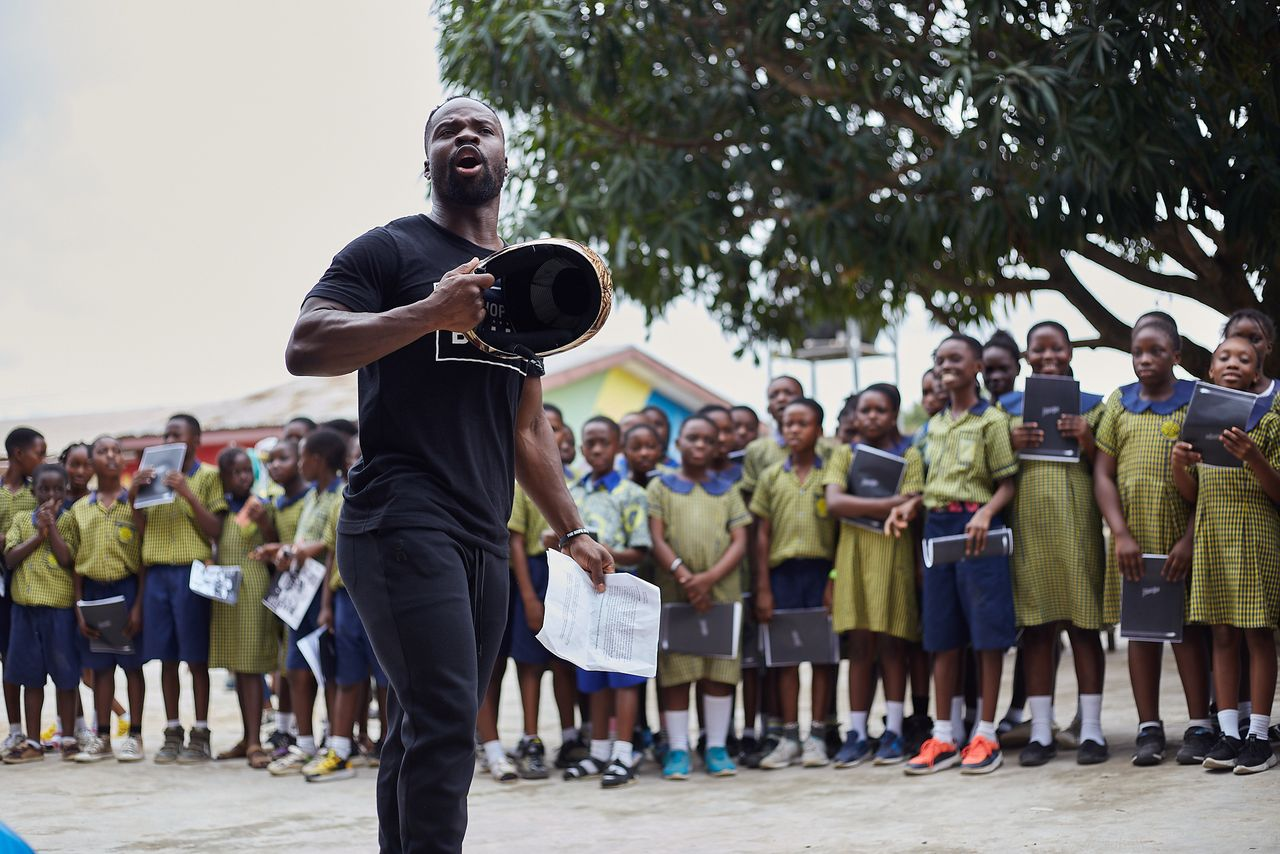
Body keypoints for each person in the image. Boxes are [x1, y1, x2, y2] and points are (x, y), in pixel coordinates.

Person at [284, 95, 611, 853]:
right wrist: (428, 313)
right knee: (444, 718)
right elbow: (306, 346)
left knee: (423, 721)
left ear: (505, 158)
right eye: (447, 130)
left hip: (484, 532)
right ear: (427, 159)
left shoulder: (528, 278)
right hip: (400, 516)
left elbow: (527, 427)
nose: (465, 136)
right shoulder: (388, 251)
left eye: (482, 128)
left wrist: (573, 531)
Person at [887, 333, 1019, 775]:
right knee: (941, 634)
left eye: (955, 358)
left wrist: (986, 513)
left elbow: (1007, 484)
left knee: (987, 633)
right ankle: (944, 736)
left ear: (977, 365)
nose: (946, 366)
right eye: (940, 360)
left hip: (979, 529)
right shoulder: (929, 429)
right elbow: (918, 488)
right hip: (939, 528)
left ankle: (986, 734)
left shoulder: (992, 421)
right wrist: (907, 507)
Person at [1093, 312, 1211, 767]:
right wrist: (1120, 533)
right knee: (1141, 632)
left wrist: (1189, 538)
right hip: (1133, 543)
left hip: (1183, 538)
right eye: (1138, 351)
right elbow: (1102, 474)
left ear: (1176, 356)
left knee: (1187, 631)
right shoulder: (1119, 403)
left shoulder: (1193, 402)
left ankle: (1199, 724)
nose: (1145, 359)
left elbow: (1211, 476)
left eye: (1156, 351)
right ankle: (1149, 727)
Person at [1172, 336, 1280, 774]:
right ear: (1211, 371)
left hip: (1254, 536)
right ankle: (1229, 733)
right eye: (1224, 357)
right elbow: (1192, 493)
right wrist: (1178, 464)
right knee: (1221, 634)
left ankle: (1259, 736)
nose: (1233, 363)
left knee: (1258, 634)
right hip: (1213, 537)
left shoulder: (1270, 423)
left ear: (1256, 373)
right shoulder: (1197, 423)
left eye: (1244, 359)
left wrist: (1253, 456)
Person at [1005, 321, 1109, 766]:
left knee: (1084, 628)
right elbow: (995, 470)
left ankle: (1091, 730)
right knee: (1037, 630)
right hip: (1030, 525)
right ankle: (1041, 732)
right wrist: (1010, 443)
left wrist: (1087, 440)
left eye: (1057, 348)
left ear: (1071, 352)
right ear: (1026, 356)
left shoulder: (1095, 406)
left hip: (1077, 523)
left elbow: (1108, 468)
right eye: (1039, 350)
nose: (1048, 357)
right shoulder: (1007, 410)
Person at [647, 415, 750, 780]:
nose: (700, 445)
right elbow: (656, 537)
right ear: (679, 443)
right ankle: (678, 749)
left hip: (721, 590)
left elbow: (740, 540)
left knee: (719, 669)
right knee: (678, 670)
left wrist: (707, 579)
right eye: (693, 438)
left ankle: (716, 747)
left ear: (718, 447)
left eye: (708, 440)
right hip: (677, 591)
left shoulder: (727, 489)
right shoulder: (661, 487)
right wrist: (684, 576)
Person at [823, 384, 919, 767]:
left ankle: (893, 730)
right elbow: (834, 502)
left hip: (894, 557)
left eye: (880, 410)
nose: (872, 417)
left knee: (894, 645)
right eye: (865, 410)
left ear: (894, 414)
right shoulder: (844, 454)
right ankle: (858, 732)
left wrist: (865, 505)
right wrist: (891, 503)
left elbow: (913, 505)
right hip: (854, 559)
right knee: (860, 646)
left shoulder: (909, 454)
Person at [561, 416, 651, 788]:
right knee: (594, 673)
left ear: (617, 448)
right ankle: (598, 751)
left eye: (604, 442)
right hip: (586, 598)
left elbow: (640, 550)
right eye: (590, 443)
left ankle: (623, 753)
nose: (596, 449)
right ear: (582, 448)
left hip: (621, 594)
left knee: (624, 676)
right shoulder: (572, 494)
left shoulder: (631, 493)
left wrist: (602, 550)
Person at [131, 414, 226, 765]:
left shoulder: (209, 476)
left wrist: (187, 492)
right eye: (166, 434)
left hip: (191, 573)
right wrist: (134, 494)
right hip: (157, 573)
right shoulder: (151, 477)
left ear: (195, 439)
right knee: (166, 658)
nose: (169, 440)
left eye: (177, 434)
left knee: (196, 658)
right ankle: (172, 731)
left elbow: (215, 529)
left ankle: (201, 733)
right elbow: (141, 530)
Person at [751, 399, 837, 769]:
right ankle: (789, 737)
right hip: (782, 575)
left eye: (803, 423)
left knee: (822, 658)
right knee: (785, 660)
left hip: (821, 573)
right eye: (788, 424)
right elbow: (762, 534)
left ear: (819, 430)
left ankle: (817, 736)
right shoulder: (771, 476)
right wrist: (763, 586)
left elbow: (842, 531)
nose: (794, 430)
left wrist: (834, 579)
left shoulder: (831, 474)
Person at [256, 428, 347, 776]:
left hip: (322, 593)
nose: (299, 464)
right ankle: (304, 744)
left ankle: (332, 741)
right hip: (299, 595)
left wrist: (292, 551)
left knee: (327, 670)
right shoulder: (312, 496)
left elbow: (326, 544)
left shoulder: (339, 495)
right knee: (295, 669)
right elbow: (303, 542)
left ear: (318, 460)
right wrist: (283, 551)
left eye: (303, 456)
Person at [67, 436, 147, 763]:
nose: (111, 456)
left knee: (132, 666)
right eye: (103, 452)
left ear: (123, 460)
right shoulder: (79, 509)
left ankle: (135, 736)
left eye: (116, 451)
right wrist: (79, 608)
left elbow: (143, 560)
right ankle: (102, 737)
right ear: (92, 463)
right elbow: (75, 565)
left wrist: (139, 606)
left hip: (127, 590)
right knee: (100, 669)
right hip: (93, 593)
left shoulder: (135, 503)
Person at [304, 489, 391, 783]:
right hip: (345, 598)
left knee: (387, 678)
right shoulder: (342, 499)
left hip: (382, 595)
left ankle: (390, 746)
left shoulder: (392, 490)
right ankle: (340, 749)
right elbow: (332, 552)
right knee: (347, 675)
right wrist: (326, 605)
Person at [2, 463, 78, 763]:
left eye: (57, 489)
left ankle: (68, 737)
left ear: (65, 492)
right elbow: (10, 558)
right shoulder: (22, 520)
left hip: (59, 611)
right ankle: (33, 741)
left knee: (66, 676)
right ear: (34, 491)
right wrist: (38, 535)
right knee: (30, 678)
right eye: (44, 489)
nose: (50, 495)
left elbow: (66, 558)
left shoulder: (69, 520)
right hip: (25, 612)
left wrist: (52, 528)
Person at [209, 447, 279, 769]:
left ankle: (254, 742)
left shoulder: (260, 505)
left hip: (252, 586)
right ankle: (246, 737)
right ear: (223, 476)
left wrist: (263, 522)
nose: (243, 477)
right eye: (235, 472)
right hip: (227, 589)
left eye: (247, 471)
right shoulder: (221, 508)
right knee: (238, 666)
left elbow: (272, 542)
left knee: (251, 666)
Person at [506, 480, 580, 777]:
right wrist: (528, 598)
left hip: (568, 572)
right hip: (535, 573)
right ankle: (531, 740)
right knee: (530, 664)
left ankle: (570, 738)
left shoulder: (575, 482)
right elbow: (516, 541)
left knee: (564, 664)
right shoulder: (522, 484)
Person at [262, 438, 308, 758]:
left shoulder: (311, 499)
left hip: (310, 589)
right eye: (271, 460)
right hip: (285, 590)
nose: (275, 465)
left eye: (284, 458)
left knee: (306, 666)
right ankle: (285, 727)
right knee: (286, 663)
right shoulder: (276, 503)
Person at [1, 427, 46, 753]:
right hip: (2, 584)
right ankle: (15, 729)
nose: (43, 460)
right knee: (8, 657)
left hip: (31, 585)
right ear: (18, 454)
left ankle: (66, 728)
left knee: (28, 658)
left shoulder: (38, 491)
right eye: (38, 453)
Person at [1222, 308, 1276, 398]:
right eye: (1237, 339)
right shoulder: (1208, 396)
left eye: (1255, 339)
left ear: (1268, 347)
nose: (1246, 345)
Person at [982, 329, 1022, 408]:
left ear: (1018, 369)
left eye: (1003, 369)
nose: (995, 376)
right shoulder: (971, 411)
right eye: (989, 370)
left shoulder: (1028, 408)